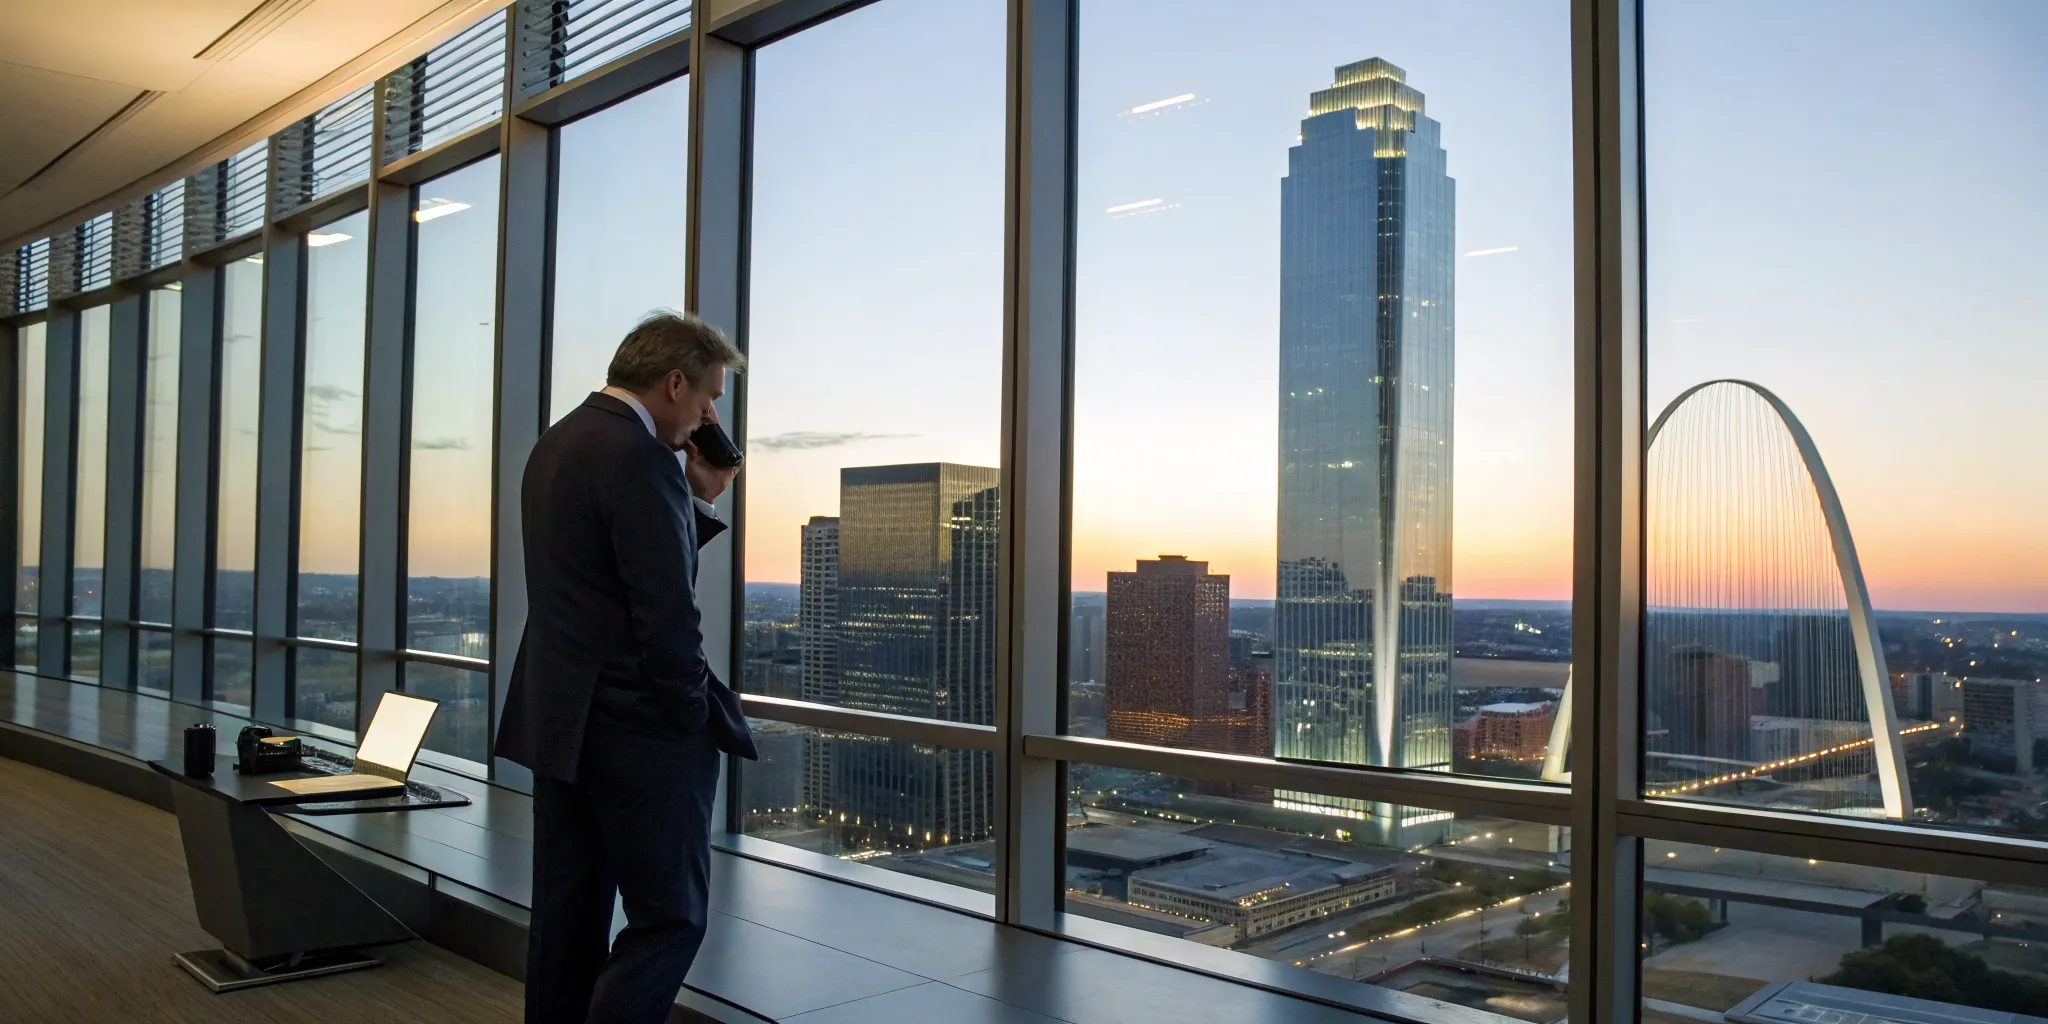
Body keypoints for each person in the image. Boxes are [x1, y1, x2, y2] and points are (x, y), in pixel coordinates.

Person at [496, 310, 757, 1024]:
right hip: (634, 732)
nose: (708, 416)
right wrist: (688, 717)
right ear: (675, 383)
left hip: (562, 719)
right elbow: (667, 615)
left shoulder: (561, 442)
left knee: (568, 918)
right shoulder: (640, 461)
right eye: (707, 398)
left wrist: (693, 498)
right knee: (672, 919)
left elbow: (604, 575)